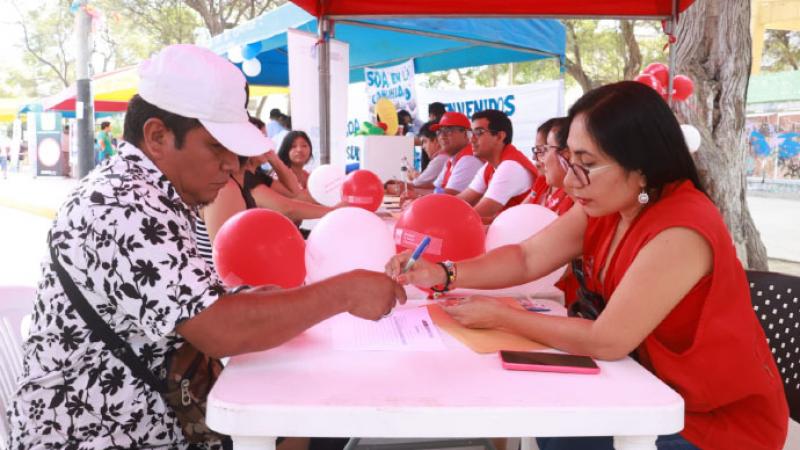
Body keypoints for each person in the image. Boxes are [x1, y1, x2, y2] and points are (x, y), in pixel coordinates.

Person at [8, 44, 405, 450]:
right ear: (157, 136)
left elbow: (189, 302)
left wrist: (251, 300)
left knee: (320, 423)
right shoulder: (121, 205)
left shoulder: (146, 191)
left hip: (149, 414)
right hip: (101, 433)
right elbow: (220, 329)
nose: (232, 166)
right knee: (323, 428)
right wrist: (344, 291)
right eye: (217, 147)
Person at [387, 81, 788, 450]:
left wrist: (500, 316)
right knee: (552, 418)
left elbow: (606, 340)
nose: (569, 180)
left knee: (562, 431)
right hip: (642, 385)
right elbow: (527, 258)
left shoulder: (682, 228)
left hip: (709, 420)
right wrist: (444, 272)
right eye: (568, 159)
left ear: (642, 167)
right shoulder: (611, 205)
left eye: (586, 163)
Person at [457, 109, 539, 221]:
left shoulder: (511, 166)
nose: (472, 139)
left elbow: (478, 215)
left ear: (500, 136)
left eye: (479, 132)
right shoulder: (490, 166)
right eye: (471, 133)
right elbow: (461, 200)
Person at [527, 117, 575, 215]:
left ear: (566, 155)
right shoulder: (542, 181)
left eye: (544, 150)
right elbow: (521, 213)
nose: (542, 158)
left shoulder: (581, 202)